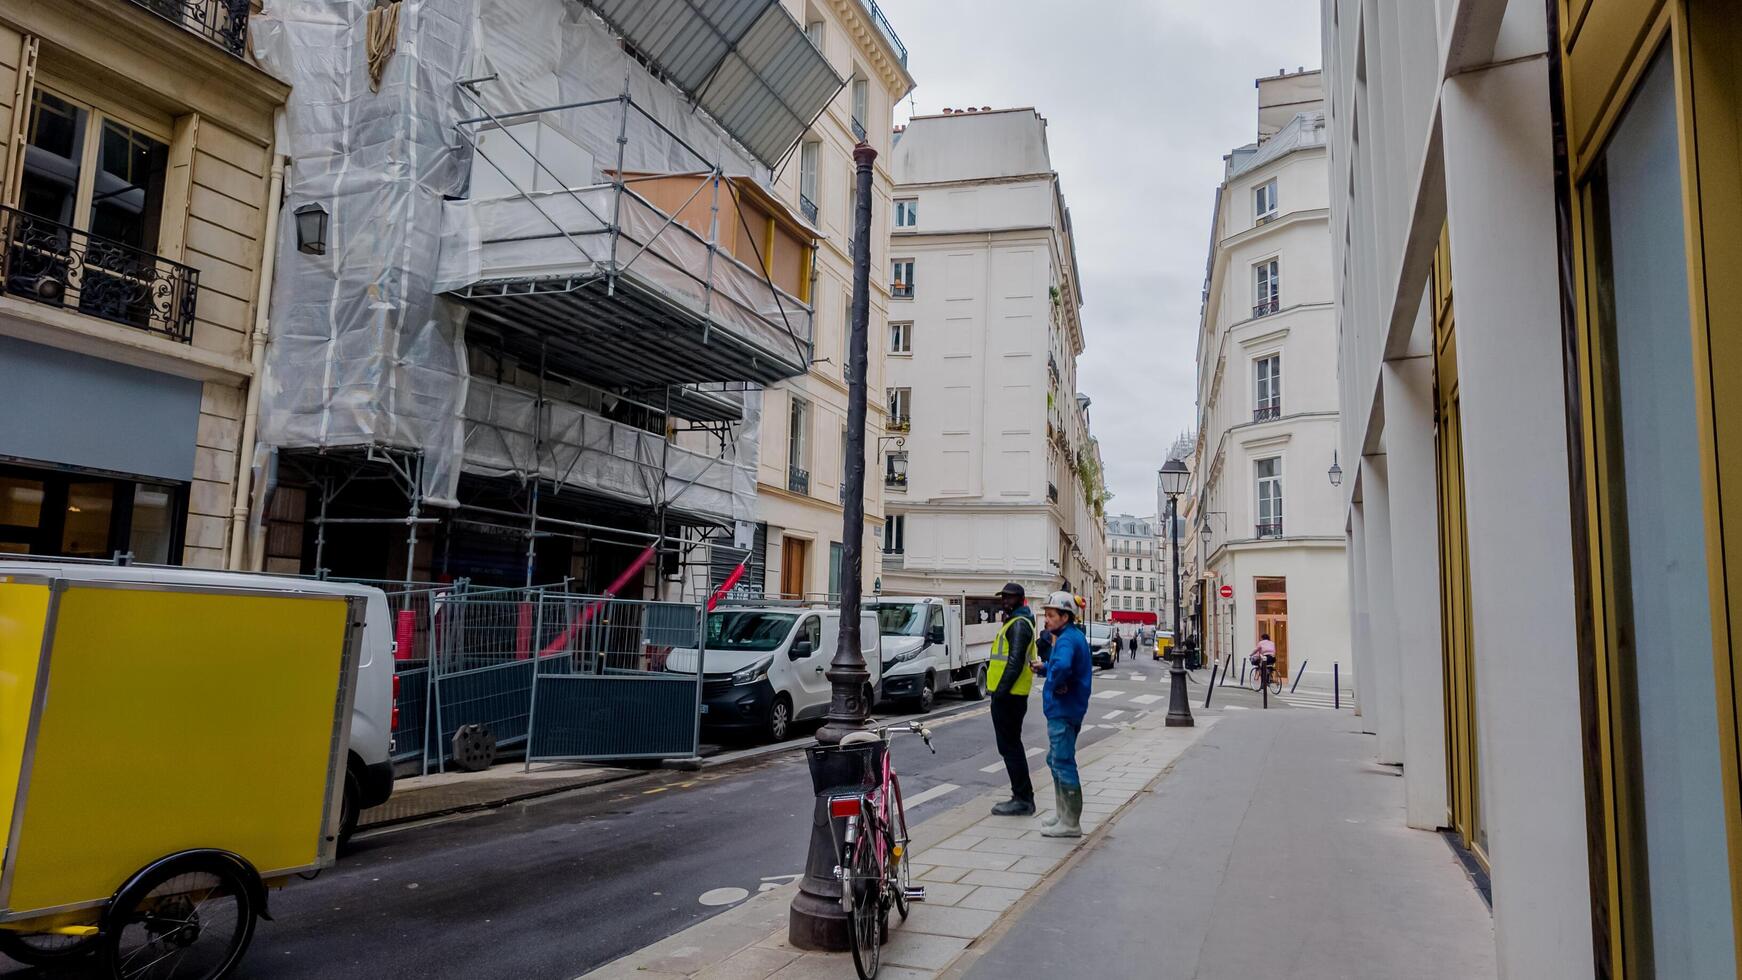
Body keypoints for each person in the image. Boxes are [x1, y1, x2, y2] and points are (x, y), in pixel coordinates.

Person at [1032, 591, 1092, 838]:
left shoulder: (1066, 640)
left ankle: (1070, 822)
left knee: (1063, 762)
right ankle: (1062, 814)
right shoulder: (1071, 637)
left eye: (1050, 615)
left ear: (1065, 617)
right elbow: (1060, 665)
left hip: (1063, 709)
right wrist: (1046, 667)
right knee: (1054, 760)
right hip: (1068, 708)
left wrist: (1056, 683)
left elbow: (1065, 666)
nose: (1046, 620)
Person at [986, 583, 1038, 816]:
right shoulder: (1015, 623)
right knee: (1010, 746)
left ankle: (1023, 798)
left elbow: (1015, 662)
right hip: (1010, 695)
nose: (1004, 602)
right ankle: (1022, 796)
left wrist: (1000, 692)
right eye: (1003, 598)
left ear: (1021, 599)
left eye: (1009, 598)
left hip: (1009, 696)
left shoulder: (1019, 625)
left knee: (1011, 747)